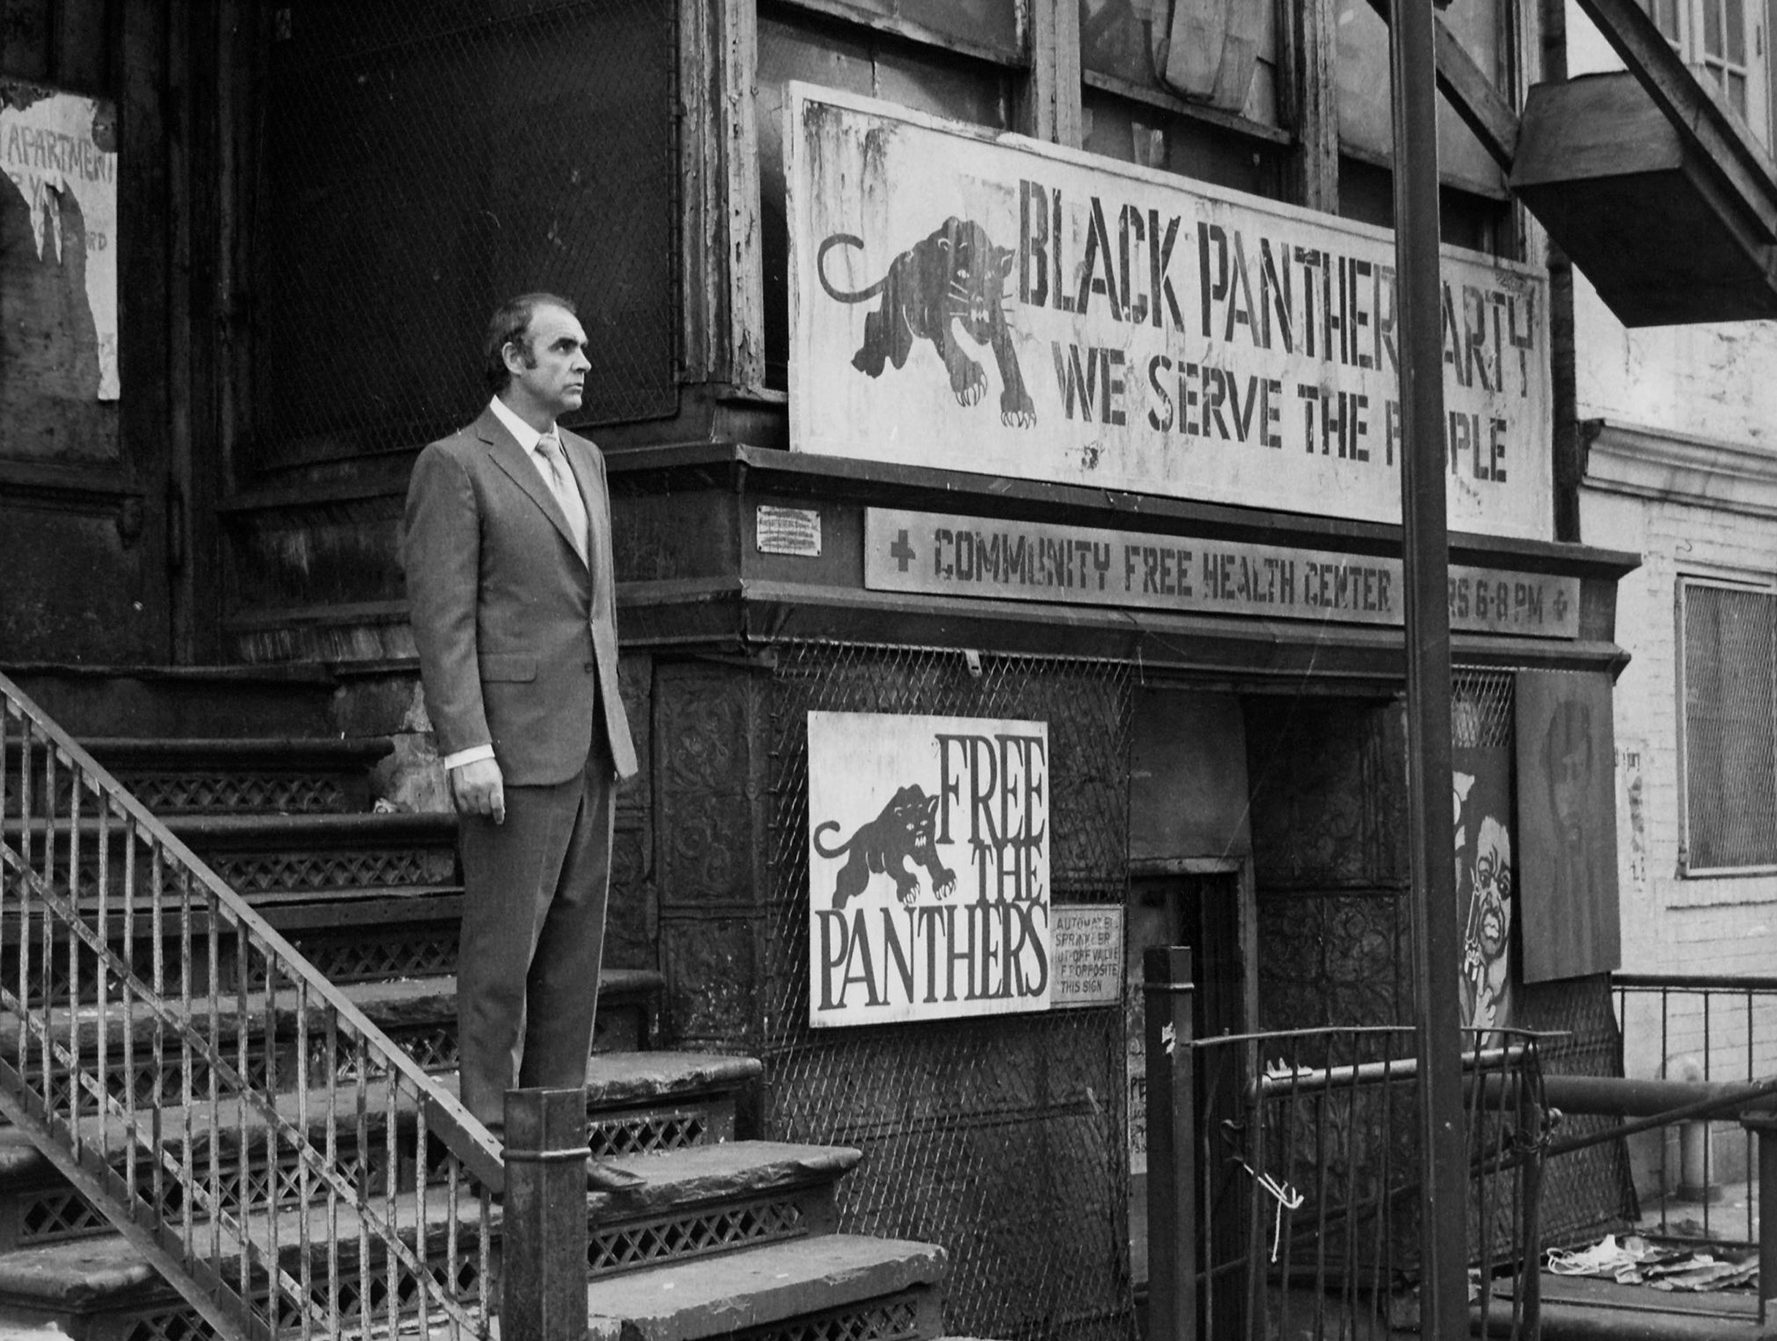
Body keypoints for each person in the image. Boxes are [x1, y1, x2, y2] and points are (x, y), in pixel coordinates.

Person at [403, 292, 641, 1192]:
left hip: (590, 743)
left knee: (573, 965)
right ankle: (490, 1148)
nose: (584, 362)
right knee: (502, 960)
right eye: (564, 347)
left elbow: (592, 607)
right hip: (510, 751)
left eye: (583, 347)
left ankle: (555, 1151)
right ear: (513, 357)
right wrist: (467, 749)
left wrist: (609, 725)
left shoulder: (587, 459)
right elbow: (443, 620)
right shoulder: (455, 464)